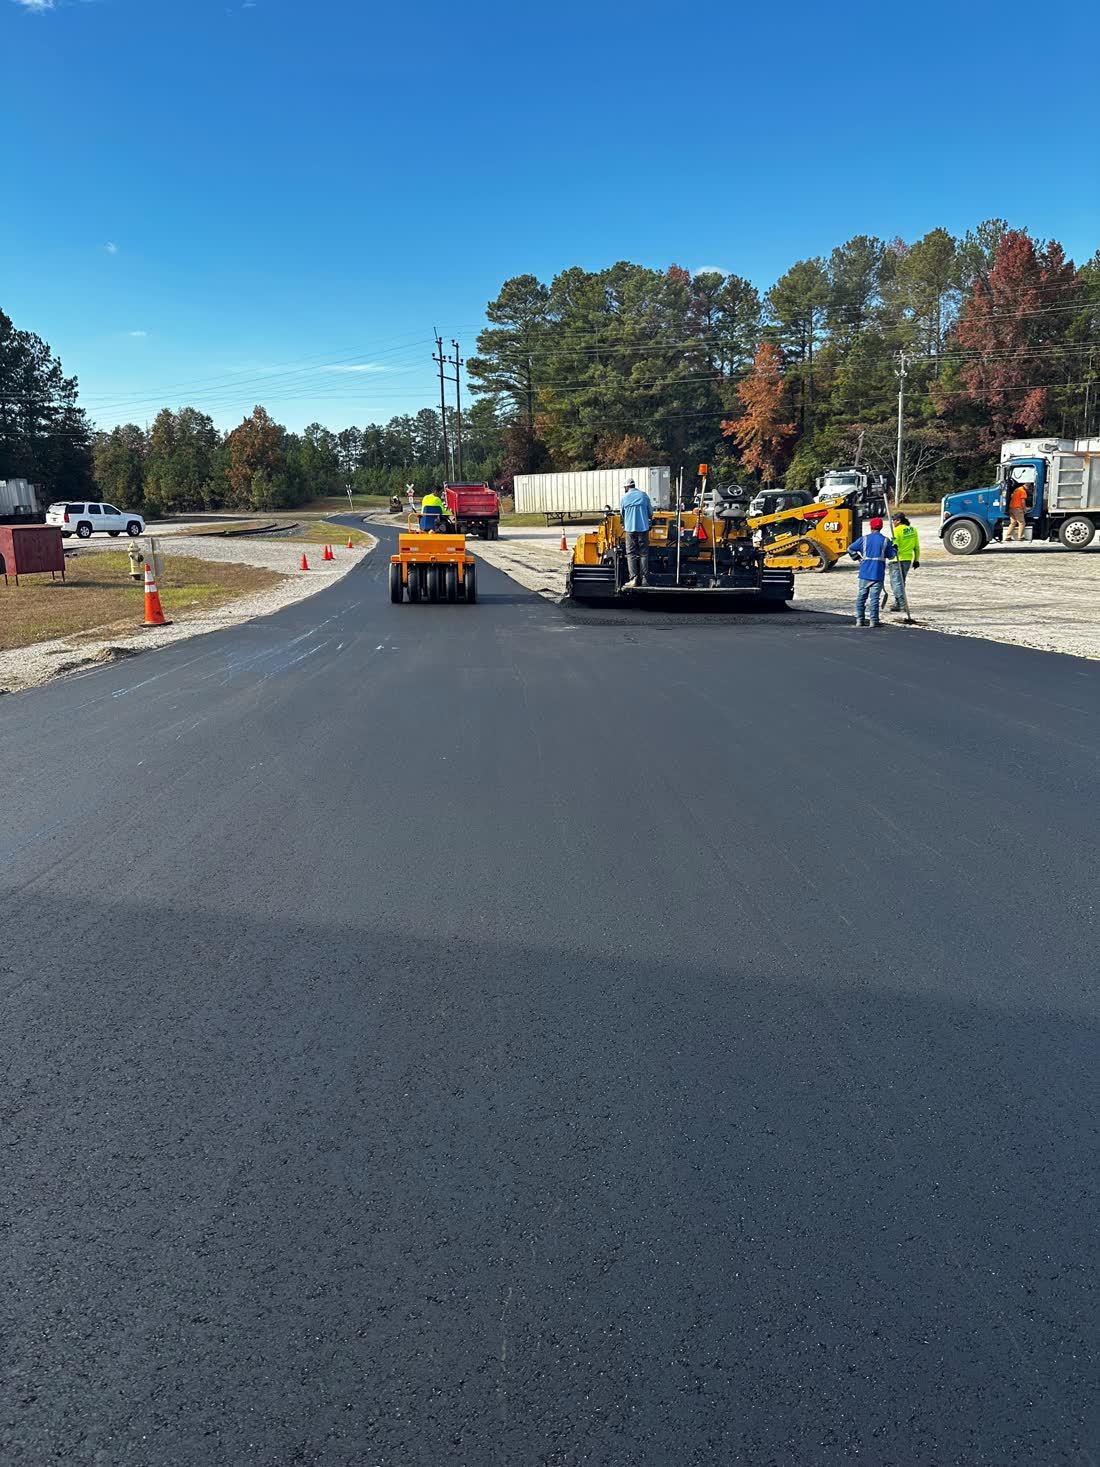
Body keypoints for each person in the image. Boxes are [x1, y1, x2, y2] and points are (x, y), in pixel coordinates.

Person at [846, 515, 896, 628]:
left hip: (865, 572)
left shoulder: (863, 539)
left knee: (861, 598)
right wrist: (894, 548)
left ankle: (859, 620)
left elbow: (850, 548)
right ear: (881, 527)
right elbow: (892, 556)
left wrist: (857, 558)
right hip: (878, 573)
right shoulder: (885, 541)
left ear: (871, 527)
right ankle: (874, 621)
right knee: (874, 599)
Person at [882, 512, 920, 611]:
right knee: (902, 582)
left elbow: (896, 545)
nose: (893, 522)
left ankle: (902, 604)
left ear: (898, 521)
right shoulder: (913, 530)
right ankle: (898, 602)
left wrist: (892, 547)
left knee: (896, 583)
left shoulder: (897, 530)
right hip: (907, 559)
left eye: (894, 520)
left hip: (896, 560)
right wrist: (916, 560)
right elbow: (917, 547)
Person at [619, 477, 654, 587]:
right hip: (643, 529)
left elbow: (622, 514)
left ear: (627, 487)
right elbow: (650, 513)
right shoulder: (644, 496)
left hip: (630, 530)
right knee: (644, 554)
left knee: (631, 554)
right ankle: (644, 580)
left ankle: (633, 579)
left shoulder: (624, 498)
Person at [1006, 476, 1029, 542]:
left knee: (1013, 523)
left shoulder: (1017, 489)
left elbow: (1012, 496)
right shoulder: (1023, 491)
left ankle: (1008, 536)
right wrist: (1025, 509)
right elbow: (1023, 501)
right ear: (1026, 486)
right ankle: (1020, 537)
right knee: (1022, 522)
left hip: (1011, 508)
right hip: (1017, 508)